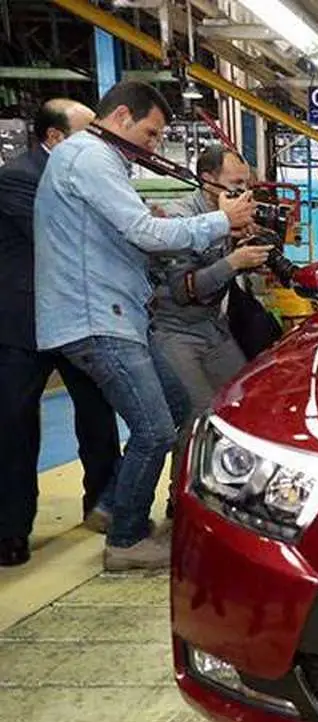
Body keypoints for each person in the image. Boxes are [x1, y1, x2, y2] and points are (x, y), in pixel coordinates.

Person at [34, 80, 257, 571]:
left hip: (121, 314)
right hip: (98, 315)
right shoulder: (89, 157)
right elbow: (144, 233)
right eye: (151, 134)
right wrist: (220, 222)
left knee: (176, 405)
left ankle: (114, 505)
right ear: (120, 118)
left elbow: (127, 232)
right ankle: (126, 540)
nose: (153, 146)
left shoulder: (96, 161)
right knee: (155, 429)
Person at [0, 98, 121, 567]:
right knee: (15, 425)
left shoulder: (86, 177)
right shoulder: (19, 178)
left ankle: (104, 505)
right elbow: (60, 236)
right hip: (24, 325)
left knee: (98, 414)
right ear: (54, 137)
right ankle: (12, 529)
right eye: (87, 133)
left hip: (75, 317)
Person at [149, 146, 273, 421]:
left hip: (214, 326)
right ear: (207, 180)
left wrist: (252, 256)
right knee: (198, 417)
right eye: (236, 184)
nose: (244, 193)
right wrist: (234, 262)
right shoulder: (179, 219)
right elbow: (184, 290)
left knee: (244, 404)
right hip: (176, 332)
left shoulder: (234, 218)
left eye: (247, 184)